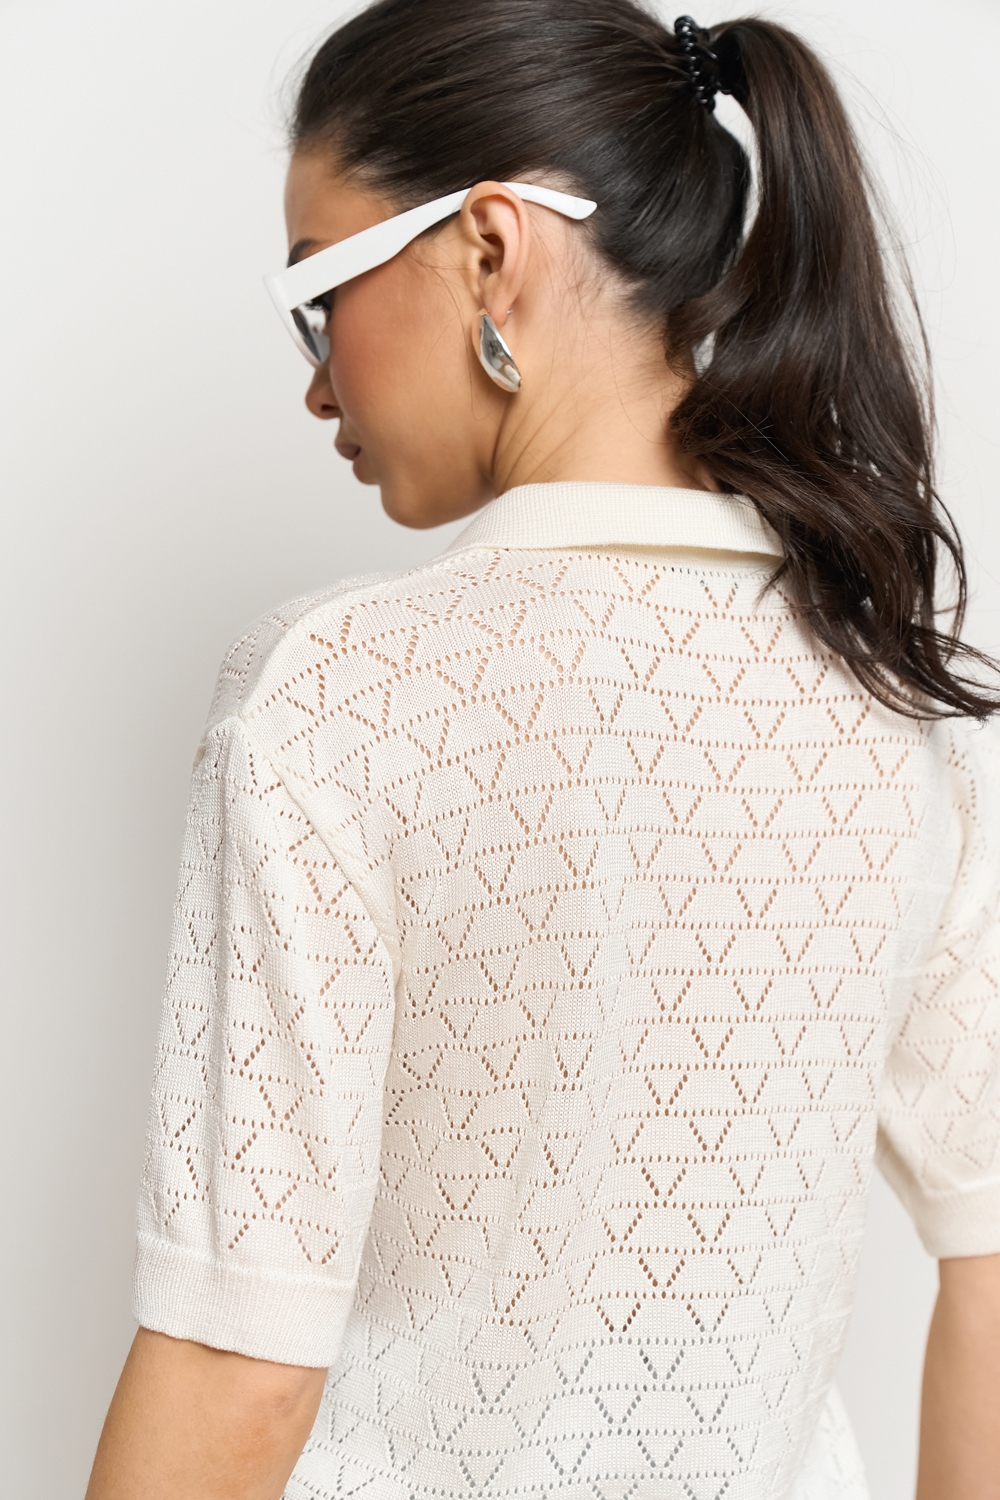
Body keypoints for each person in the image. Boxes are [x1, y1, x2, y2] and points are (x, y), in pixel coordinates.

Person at [85, 3, 1000, 1497]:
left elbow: (240, 1361)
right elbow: (993, 1247)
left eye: (319, 294)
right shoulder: (895, 699)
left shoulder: (341, 693)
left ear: (490, 247)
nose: (317, 381)